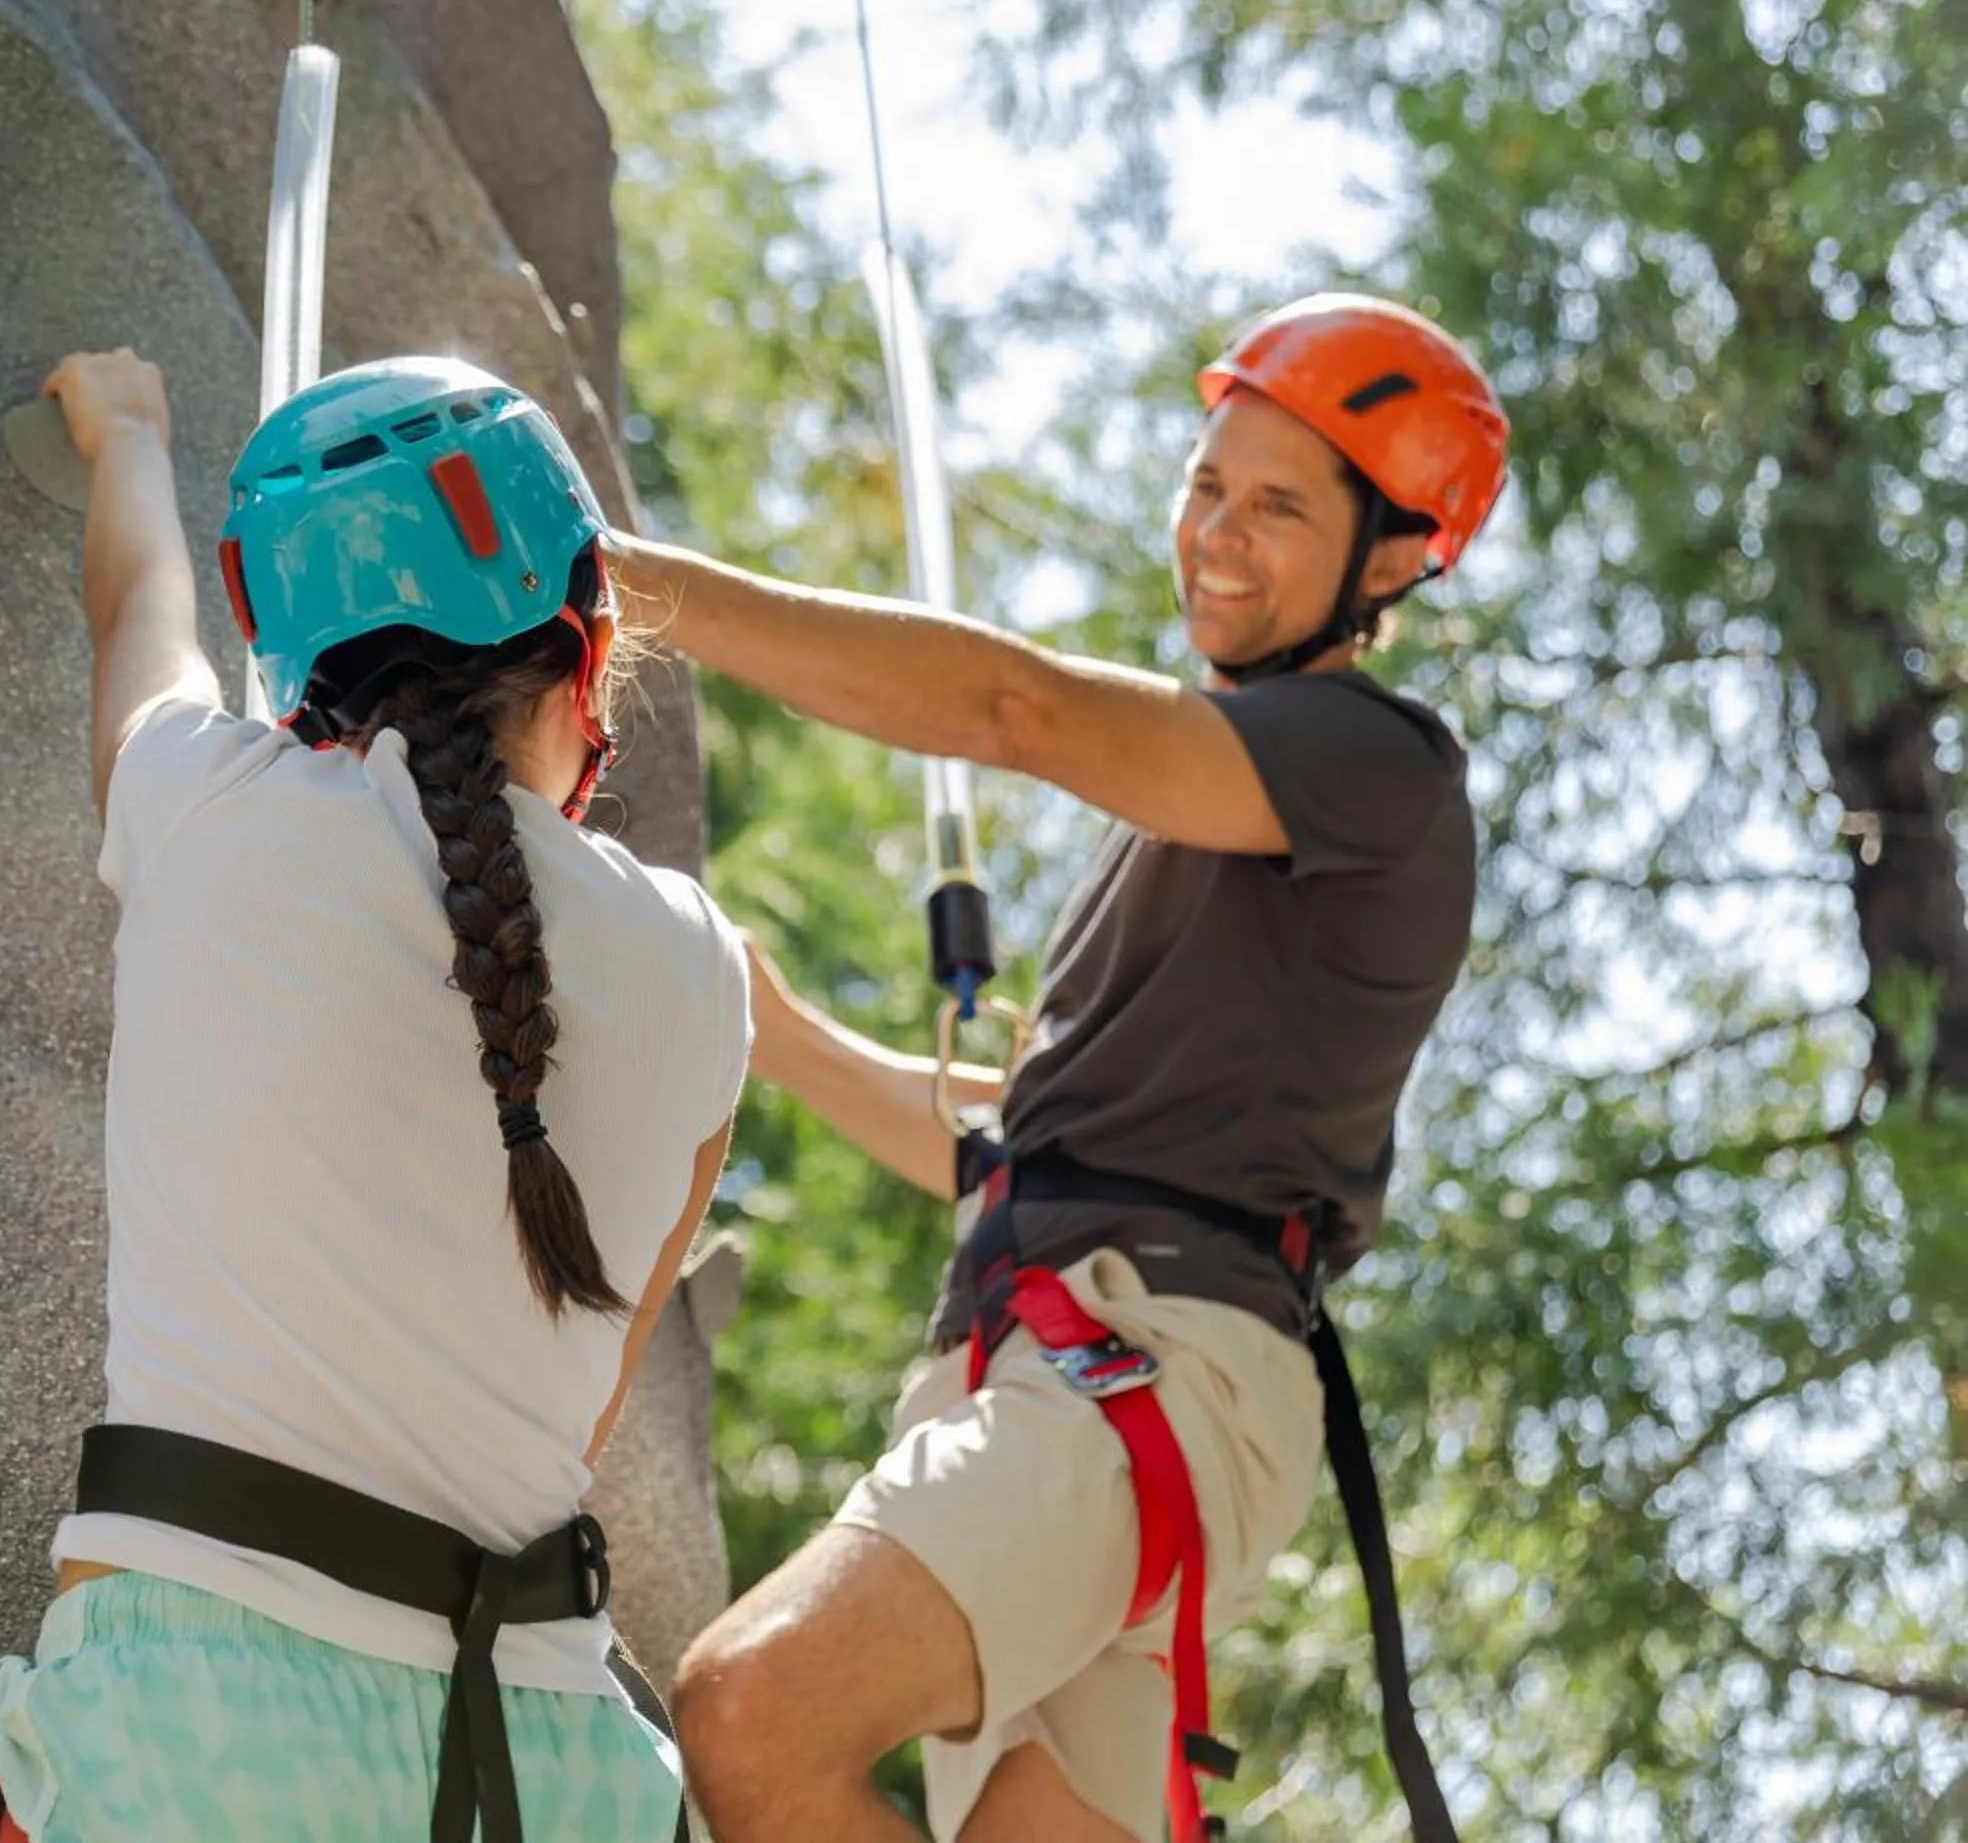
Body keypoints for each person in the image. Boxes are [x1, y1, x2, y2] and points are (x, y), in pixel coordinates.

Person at [638, 294, 1506, 1843]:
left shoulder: (1378, 770)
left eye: (1281, 505)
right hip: (1065, 1355)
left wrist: (632, 588)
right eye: (1207, 486)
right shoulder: (1185, 826)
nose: (1218, 535)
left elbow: (1012, 707)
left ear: (1391, 556)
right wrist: (782, 1030)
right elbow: (1015, 1154)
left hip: (1143, 1364)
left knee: (757, 1706)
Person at [0, 349, 750, 1843]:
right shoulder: (705, 973)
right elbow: (587, 1381)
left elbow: (135, 613)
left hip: (191, 1745)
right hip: (554, 1770)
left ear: (303, 682)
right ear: (586, 651)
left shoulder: (203, 806)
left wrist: (129, 428)